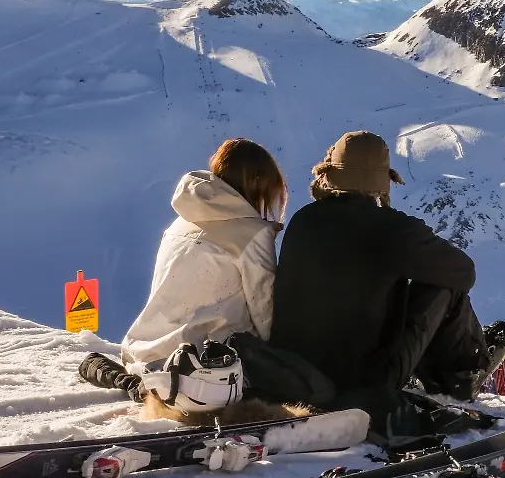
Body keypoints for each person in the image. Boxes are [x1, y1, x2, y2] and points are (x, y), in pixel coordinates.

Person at [270, 131, 505, 437]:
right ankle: (462, 375)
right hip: (362, 382)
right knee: (442, 284)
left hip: (295, 374)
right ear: (382, 181)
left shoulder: (302, 220)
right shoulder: (393, 229)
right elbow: (464, 272)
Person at [79, 138, 333, 418]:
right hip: (208, 361)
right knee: (314, 387)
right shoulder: (251, 233)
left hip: (148, 349)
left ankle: (147, 384)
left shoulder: (180, 221)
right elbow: (266, 311)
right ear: (259, 182)